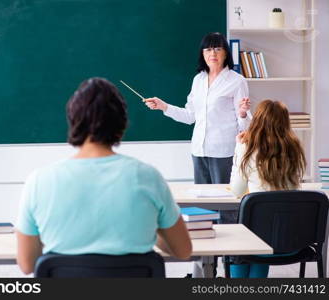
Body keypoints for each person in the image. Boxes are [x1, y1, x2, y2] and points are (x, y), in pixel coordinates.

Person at [15, 77, 192, 275]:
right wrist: (151, 228)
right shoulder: (148, 177)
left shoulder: (40, 181)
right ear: (122, 122)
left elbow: (27, 264)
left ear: (73, 119)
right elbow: (183, 250)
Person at [145, 32, 251, 187]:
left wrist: (242, 113)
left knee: (225, 200)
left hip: (223, 150)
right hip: (199, 149)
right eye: (207, 50)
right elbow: (190, 116)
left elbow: (245, 126)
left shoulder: (237, 81)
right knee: (203, 201)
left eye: (217, 49)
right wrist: (164, 106)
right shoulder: (198, 80)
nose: (212, 53)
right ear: (202, 54)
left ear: (226, 53)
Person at [229, 99, 306, 278]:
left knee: (242, 239)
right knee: (263, 233)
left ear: (256, 121)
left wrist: (238, 150)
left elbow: (237, 191)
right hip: (292, 241)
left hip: (258, 243)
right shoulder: (295, 149)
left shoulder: (248, 148)